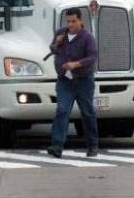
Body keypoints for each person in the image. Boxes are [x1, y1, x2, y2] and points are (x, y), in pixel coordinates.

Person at [47, 8, 99, 158]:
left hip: (84, 80)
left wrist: (76, 64)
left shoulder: (87, 37)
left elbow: (92, 56)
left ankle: (92, 145)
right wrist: (56, 44)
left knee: (87, 112)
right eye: (68, 21)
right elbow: (53, 50)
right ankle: (57, 146)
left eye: (73, 21)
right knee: (62, 110)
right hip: (65, 81)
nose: (70, 24)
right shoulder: (61, 33)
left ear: (80, 21)